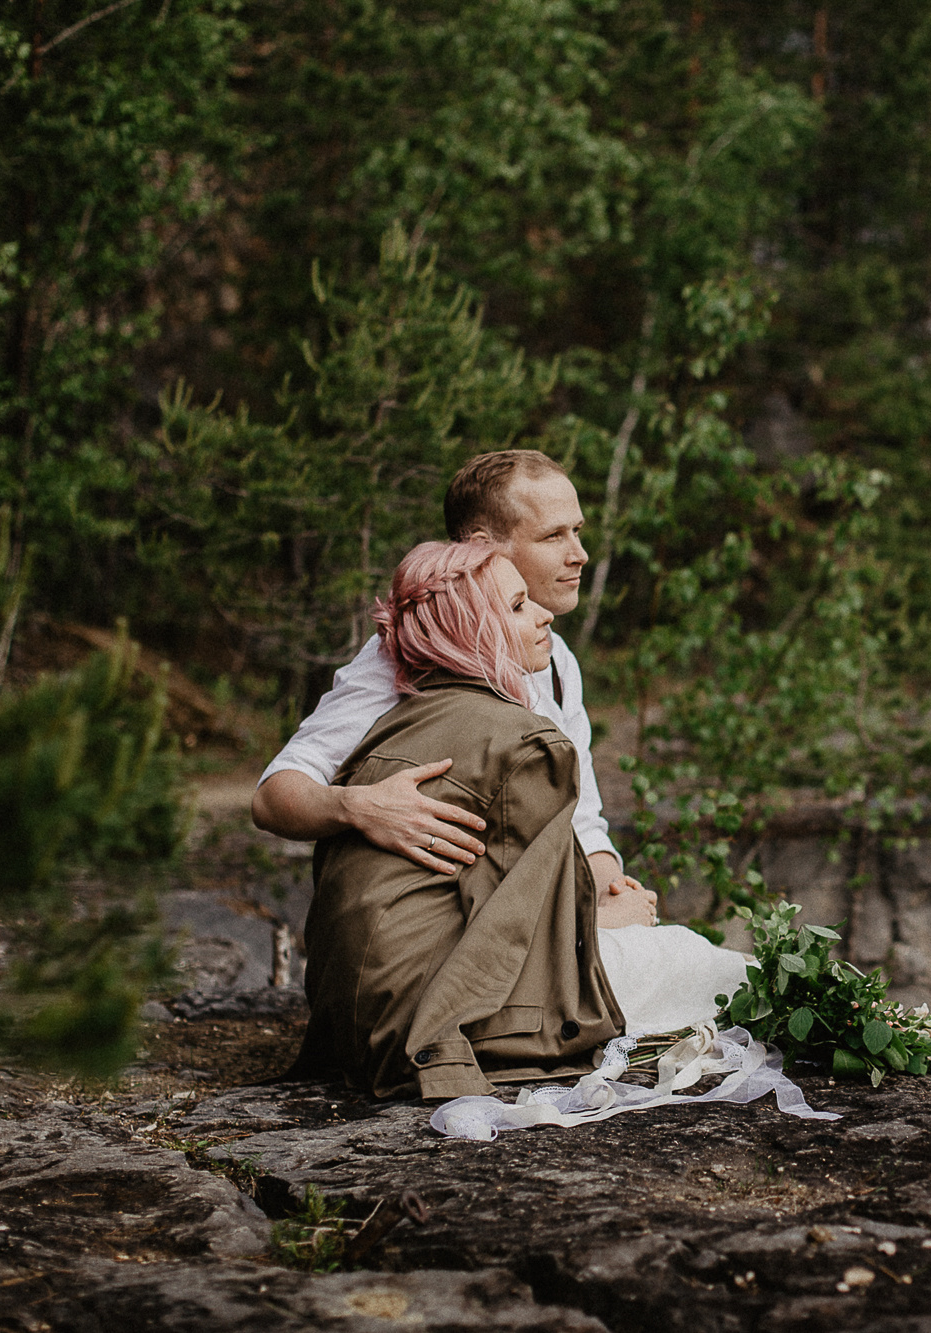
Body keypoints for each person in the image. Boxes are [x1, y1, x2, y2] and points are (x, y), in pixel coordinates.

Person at [299, 540, 747, 1100]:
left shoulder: (392, 726)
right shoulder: (524, 742)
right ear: (471, 633)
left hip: (356, 1022)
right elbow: (516, 928)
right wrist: (608, 921)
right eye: (516, 606)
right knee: (717, 971)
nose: (543, 615)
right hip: (434, 1022)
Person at [251, 450, 658, 930]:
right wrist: (359, 807)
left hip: (538, 923)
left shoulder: (556, 659)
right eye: (553, 536)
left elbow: (581, 818)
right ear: (485, 546)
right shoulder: (412, 653)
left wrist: (613, 895)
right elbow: (272, 797)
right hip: (446, 939)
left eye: (578, 531)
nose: (580, 554)